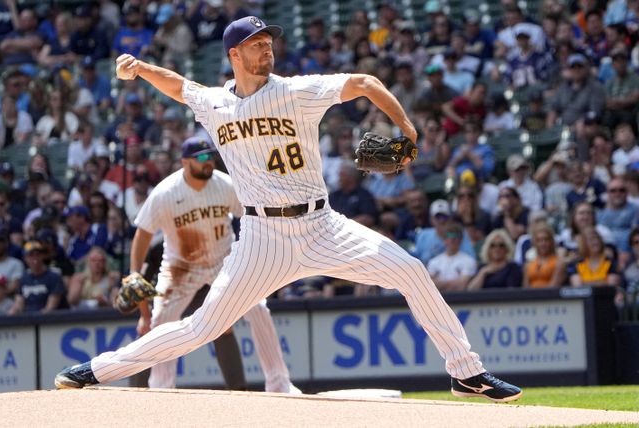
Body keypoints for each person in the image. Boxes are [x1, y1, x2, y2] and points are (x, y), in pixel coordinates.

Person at [54, 16, 521, 402]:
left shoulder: (297, 91)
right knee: (199, 327)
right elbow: (178, 86)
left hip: (322, 225)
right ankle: (96, 370)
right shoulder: (215, 103)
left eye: (268, 41)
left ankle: (466, 372)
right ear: (234, 55)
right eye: (256, 44)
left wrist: (407, 129)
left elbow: (365, 82)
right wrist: (139, 67)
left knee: (411, 270)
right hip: (261, 239)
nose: (267, 49)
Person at [123, 137, 298, 393]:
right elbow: (143, 234)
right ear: (185, 162)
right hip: (181, 267)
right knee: (160, 321)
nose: (209, 162)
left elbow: (254, 217)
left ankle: (278, 381)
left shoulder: (224, 184)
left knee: (259, 309)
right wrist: (134, 273)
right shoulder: (166, 192)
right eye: (202, 158)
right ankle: (161, 388)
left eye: (211, 156)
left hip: (223, 262)